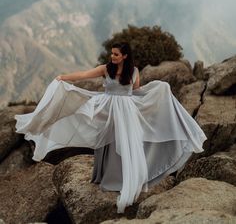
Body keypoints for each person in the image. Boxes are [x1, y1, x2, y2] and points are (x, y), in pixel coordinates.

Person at [14, 42, 207, 213]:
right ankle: (103, 176)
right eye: (111, 53)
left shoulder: (134, 71)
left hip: (126, 111)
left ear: (124, 56)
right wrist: (62, 77)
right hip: (107, 108)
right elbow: (83, 75)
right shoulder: (106, 69)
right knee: (105, 138)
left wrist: (156, 92)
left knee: (124, 141)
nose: (112, 57)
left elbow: (136, 91)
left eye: (116, 54)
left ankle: (119, 180)